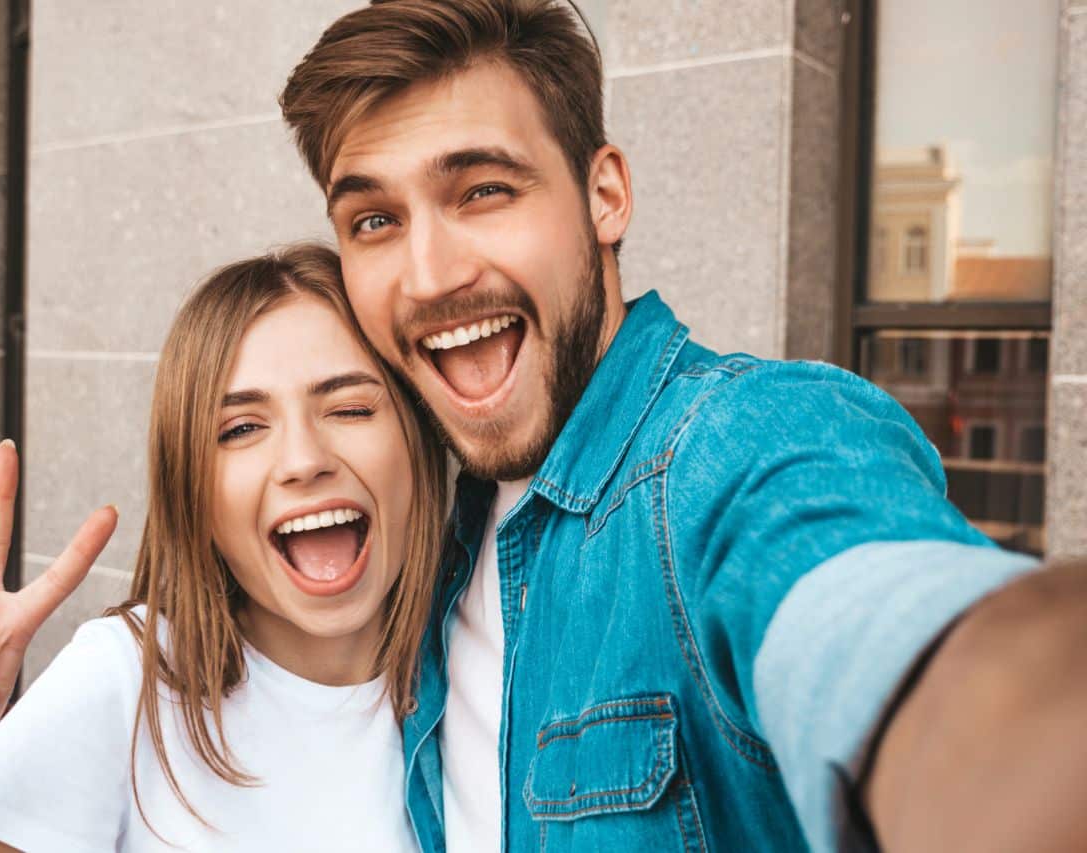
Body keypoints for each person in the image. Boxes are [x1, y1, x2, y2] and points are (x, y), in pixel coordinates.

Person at [279, 1, 1087, 850]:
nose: (430, 275)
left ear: (605, 196)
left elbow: (887, 626)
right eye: (375, 220)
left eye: (483, 190)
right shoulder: (440, 542)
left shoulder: (737, 442)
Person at [0, 245, 448, 852]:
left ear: (420, 443)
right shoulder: (131, 676)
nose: (303, 461)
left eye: (351, 409)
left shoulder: (488, 657)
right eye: (243, 428)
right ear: (194, 495)